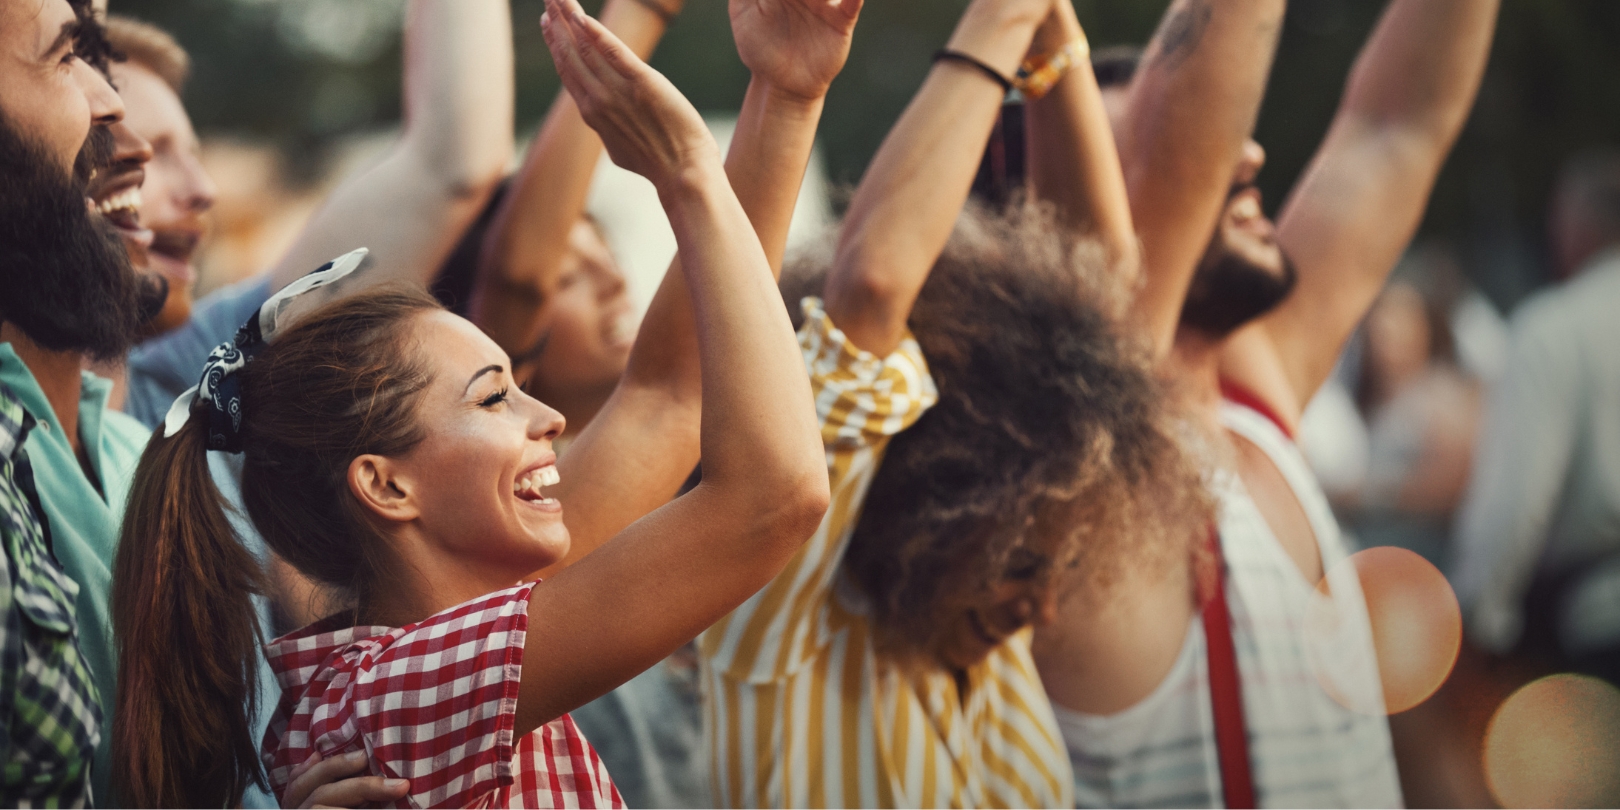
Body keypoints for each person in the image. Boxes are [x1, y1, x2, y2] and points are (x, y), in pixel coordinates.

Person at [109, 0, 830, 805]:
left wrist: (785, 94)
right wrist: (687, 174)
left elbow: (671, 392)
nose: (549, 417)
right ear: (385, 485)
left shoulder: (442, 634)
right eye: (494, 399)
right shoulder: (399, 698)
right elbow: (773, 499)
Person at [699, 0, 1206, 805]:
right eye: (1024, 564)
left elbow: (1102, 318)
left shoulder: (967, 637)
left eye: (1058, 563)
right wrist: (1001, 21)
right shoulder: (783, 620)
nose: (1041, 605)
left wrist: (1052, 39)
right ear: (938, 502)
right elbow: (868, 289)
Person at [1032, 0, 1499, 805]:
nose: (1245, 154)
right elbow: (1178, 157)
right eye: (1175, 137)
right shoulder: (1092, 479)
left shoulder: (1253, 401)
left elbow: (1399, 123)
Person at [1453, 148, 1620, 685]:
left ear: (1578, 227)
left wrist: (1479, 621)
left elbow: (1516, 500)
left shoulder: (1557, 327)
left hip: (1601, 627)